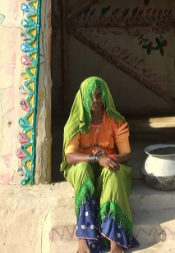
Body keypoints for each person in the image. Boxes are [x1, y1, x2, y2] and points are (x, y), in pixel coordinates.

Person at [62, 77, 138, 253]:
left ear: (105, 96)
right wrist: (95, 159)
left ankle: (115, 243)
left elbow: (126, 154)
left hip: (108, 163)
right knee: (82, 169)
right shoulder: (76, 123)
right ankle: (84, 240)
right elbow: (70, 157)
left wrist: (109, 158)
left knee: (113, 173)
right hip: (84, 165)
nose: (96, 100)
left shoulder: (116, 121)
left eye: (99, 95)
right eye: (91, 96)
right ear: (83, 97)